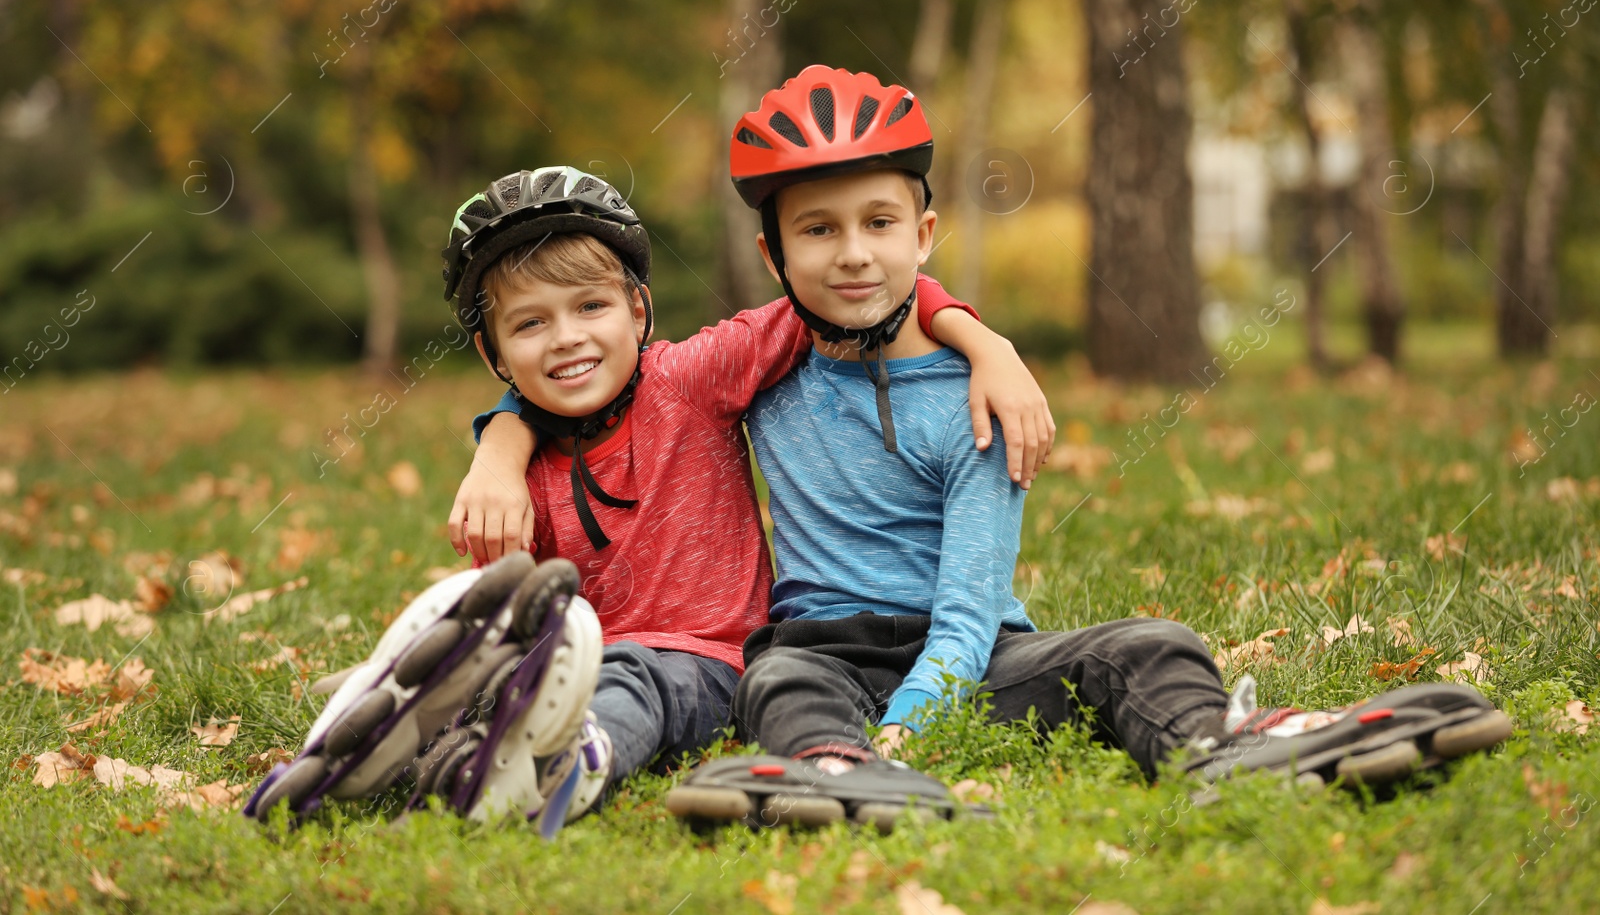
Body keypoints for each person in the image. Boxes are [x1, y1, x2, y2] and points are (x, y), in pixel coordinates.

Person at [664, 66, 1512, 829]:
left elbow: (966, 612)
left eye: (878, 221)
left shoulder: (984, 400)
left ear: (922, 236)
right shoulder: (756, 364)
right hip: (827, 649)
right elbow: (632, 381)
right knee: (775, 680)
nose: (853, 253)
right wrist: (519, 435)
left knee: (1144, 644)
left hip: (974, 654)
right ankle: (830, 773)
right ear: (775, 257)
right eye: (818, 231)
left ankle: (1227, 742)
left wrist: (910, 722)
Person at [450, 163, 1054, 823]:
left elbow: (850, 288)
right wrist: (500, 444)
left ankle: (560, 770)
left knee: (632, 673)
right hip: (584, 674)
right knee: (494, 668)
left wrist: (987, 343)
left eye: (591, 306)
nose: (567, 336)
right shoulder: (517, 478)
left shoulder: (693, 377)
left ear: (639, 309)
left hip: (712, 668)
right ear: (494, 353)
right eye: (531, 324)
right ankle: (426, 739)